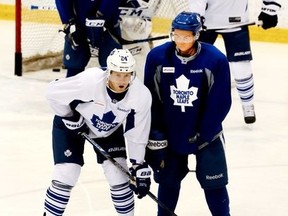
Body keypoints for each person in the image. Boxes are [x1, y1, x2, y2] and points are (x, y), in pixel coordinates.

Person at [43, 48, 152, 216]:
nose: (122, 80)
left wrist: (138, 165)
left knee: (119, 176)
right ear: (109, 72)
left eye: (127, 74)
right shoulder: (90, 80)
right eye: (117, 74)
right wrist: (70, 117)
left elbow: (137, 133)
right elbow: (52, 92)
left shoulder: (140, 95)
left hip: (108, 130)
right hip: (72, 124)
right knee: (67, 172)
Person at [144, 12, 232, 216]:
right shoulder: (157, 58)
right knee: (168, 181)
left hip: (207, 136)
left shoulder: (215, 60)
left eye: (187, 36)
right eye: (177, 35)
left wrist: (203, 133)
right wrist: (157, 132)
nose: (181, 41)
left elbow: (220, 103)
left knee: (215, 183)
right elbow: (151, 99)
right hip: (170, 133)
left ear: (197, 35)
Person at [188, 0, 281, 124]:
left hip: (237, 20)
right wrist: (196, 16)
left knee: (241, 66)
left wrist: (269, 9)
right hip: (206, 22)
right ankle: (190, 103)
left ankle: (248, 105)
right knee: (195, 63)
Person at [56, 0, 149, 77]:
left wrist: (102, 17)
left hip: (109, 26)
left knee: (112, 66)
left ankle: (109, 98)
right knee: (75, 65)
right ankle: (72, 98)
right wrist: (69, 22)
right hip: (79, 25)